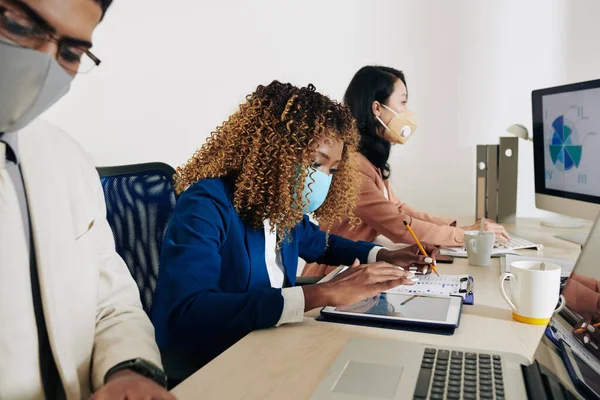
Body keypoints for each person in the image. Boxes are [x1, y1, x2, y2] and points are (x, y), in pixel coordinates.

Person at [151, 81, 439, 380]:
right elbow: (189, 311)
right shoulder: (207, 203)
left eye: (333, 170)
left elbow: (322, 244)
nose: (324, 179)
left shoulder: (280, 206)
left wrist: (384, 256)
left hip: (268, 347)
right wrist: (322, 293)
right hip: (214, 363)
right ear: (274, 152)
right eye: (316, 163)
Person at [0, 0, 173, 398]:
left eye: (71, 52)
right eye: (17, 24)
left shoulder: (67, 159)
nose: (43, 62)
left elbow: (113, 303)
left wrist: (129, 370)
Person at [320, 66, 508, 259]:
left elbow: (398, 209)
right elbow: (398, 225)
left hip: (357, 267)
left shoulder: (368, 161)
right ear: (377, 108)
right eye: (402, 102)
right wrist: (466, 235)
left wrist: (459, 229)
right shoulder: (354, 167)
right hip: (336, 273)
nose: (407, 112)